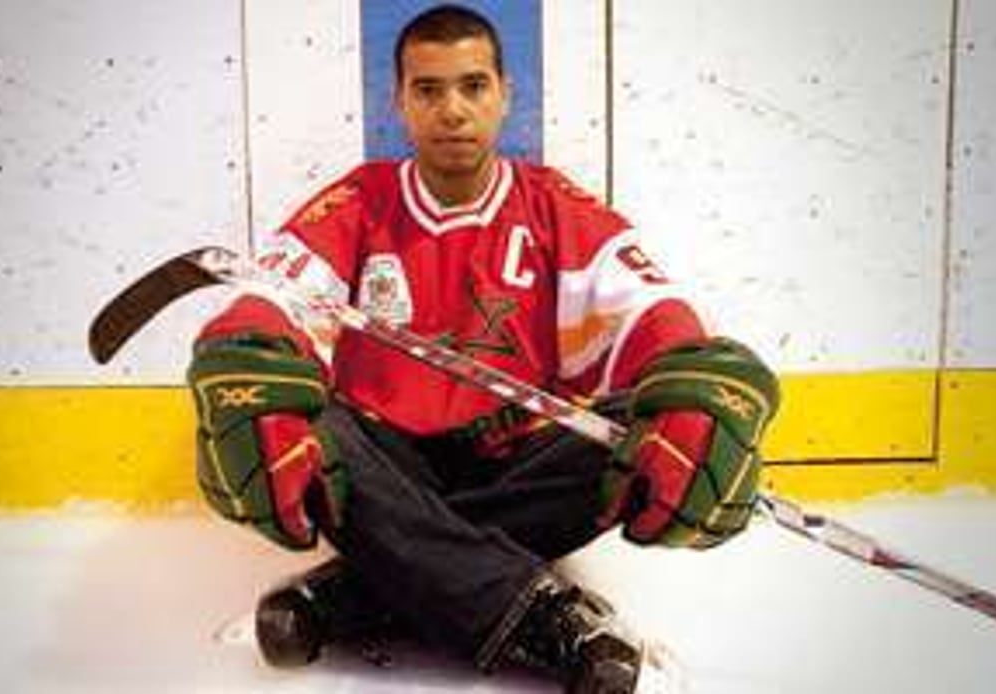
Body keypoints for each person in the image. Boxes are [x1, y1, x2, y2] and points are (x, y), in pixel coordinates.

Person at [185, 5, 779, 693]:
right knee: (314, 423)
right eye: (428, 90)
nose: (452, 111)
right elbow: (279, 295)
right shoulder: (356, 201)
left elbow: (646, 309)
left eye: (472, 86)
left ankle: (363, 588)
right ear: (399, 101)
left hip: (515, 463)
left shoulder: (557, 207)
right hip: (387, 469)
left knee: (636, 423)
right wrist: (243, 341)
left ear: (504, 94)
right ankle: (540, 615)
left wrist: (689, 376)